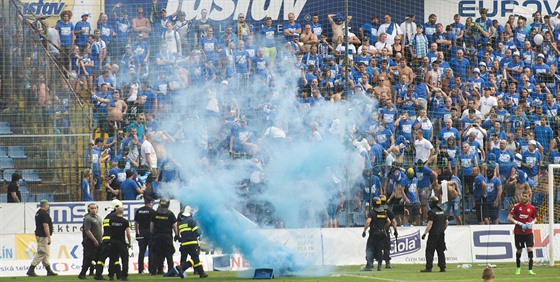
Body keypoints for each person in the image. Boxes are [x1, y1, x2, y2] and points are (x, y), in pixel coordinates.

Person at [507, 191, 537, 275]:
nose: (524, 198)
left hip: (528, 232)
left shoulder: (532, 208)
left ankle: (530, 270)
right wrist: (519, 223)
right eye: (523, 196)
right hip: (518, 232)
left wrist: (531, 223)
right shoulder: (516, 206)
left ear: (529, 198)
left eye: (526, 196)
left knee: (529, 248)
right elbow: (509, 217)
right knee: (519, 250)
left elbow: (535, 218)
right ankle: (518, 268)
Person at [174, 206, 209, 278]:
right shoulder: (192, 221)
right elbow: (198, 232)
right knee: (194, 258)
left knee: (195, 259)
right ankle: (182, 267)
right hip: (192, 243)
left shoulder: (182, 223)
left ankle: (201, 273)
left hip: (184, 244)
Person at [27, 199, 58, 276]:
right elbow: (45, 225)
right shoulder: (44, 214)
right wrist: (48, 237)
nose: (48, 206)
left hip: (39, 234)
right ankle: (31, 269)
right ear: (45, 205)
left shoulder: (38, 213)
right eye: (47, 205)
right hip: (43, 235)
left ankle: (48, 270)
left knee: (46, 253)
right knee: (42, 252)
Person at [150, 198, 179, 276]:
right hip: (167, 237)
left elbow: (151, 225)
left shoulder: (155, 213)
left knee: (157, 254)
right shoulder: (170, 214)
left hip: (157, 236)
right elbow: (174, 226)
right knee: (169, 254)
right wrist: (177, 235)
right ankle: (170, 270)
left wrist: (152, 233)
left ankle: (155, 271)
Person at [94, 199, 122, 280]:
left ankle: (99, 274)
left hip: (105, 240)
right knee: (115, 257)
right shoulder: (115, 217)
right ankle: (113, 275)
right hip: (112, 239)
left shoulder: (107, 217)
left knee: (102, 258)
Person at [420, 196, 448, 273]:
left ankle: (429, 267)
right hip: (441, 234)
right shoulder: (441, 211)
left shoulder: (431, 212)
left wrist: (425, 233)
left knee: (429, 250)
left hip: (433, 234)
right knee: (440, 251)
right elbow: (446, 222)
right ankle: (442, 267)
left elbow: (430, 223)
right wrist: (442, 230)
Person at [362, 197, 390, 271]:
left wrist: (364, 231)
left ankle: (369, 265)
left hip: (374, 234)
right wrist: (384, 228)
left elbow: (368, 222)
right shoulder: (383, 212)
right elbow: (389, 222)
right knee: (379, 249)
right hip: (382, 234)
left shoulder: (372, 212)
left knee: (369, 249)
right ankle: (379, 266)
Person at [78, 203, 102, 279]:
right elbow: (87, 231)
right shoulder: (88, 218)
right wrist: (94, 240)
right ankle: (82, 274)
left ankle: (98, 274)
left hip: (99, 240)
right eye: (92, 208)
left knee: (99, 258)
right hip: (90, 242)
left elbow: (100, 230)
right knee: (88, 258)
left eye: (95, 208)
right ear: (89, 209)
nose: (94, 210)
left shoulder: (98, 218)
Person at [109, 206, 132, 281]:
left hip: (112, 241)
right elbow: (128, 233)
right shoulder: (125, 221)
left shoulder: (111, 220)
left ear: (116, 212)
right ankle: (124, 275)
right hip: (121, 242)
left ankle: (111, 275)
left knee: (112, 258)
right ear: (123, 212)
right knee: (124, 259)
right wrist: (129, 242)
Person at [135, 196, 155, 274]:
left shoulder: (139, 211)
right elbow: (152, 223)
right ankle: (151, 269)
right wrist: (152, 232)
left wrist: (137, 232)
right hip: (149, 232)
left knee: (141, 251)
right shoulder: (152, 211)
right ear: (150, 203)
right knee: (151, 251)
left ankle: (140, 269)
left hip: (141, 231)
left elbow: (136, 223)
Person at [380, 195, 398, 269]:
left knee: (377, 247)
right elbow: (393, 222)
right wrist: (395, 230)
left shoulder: (376, 209)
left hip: (378, 230)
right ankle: (387, 263)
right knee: (386, 248)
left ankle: (378, 263)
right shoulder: (388, 210)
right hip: (386, 232)